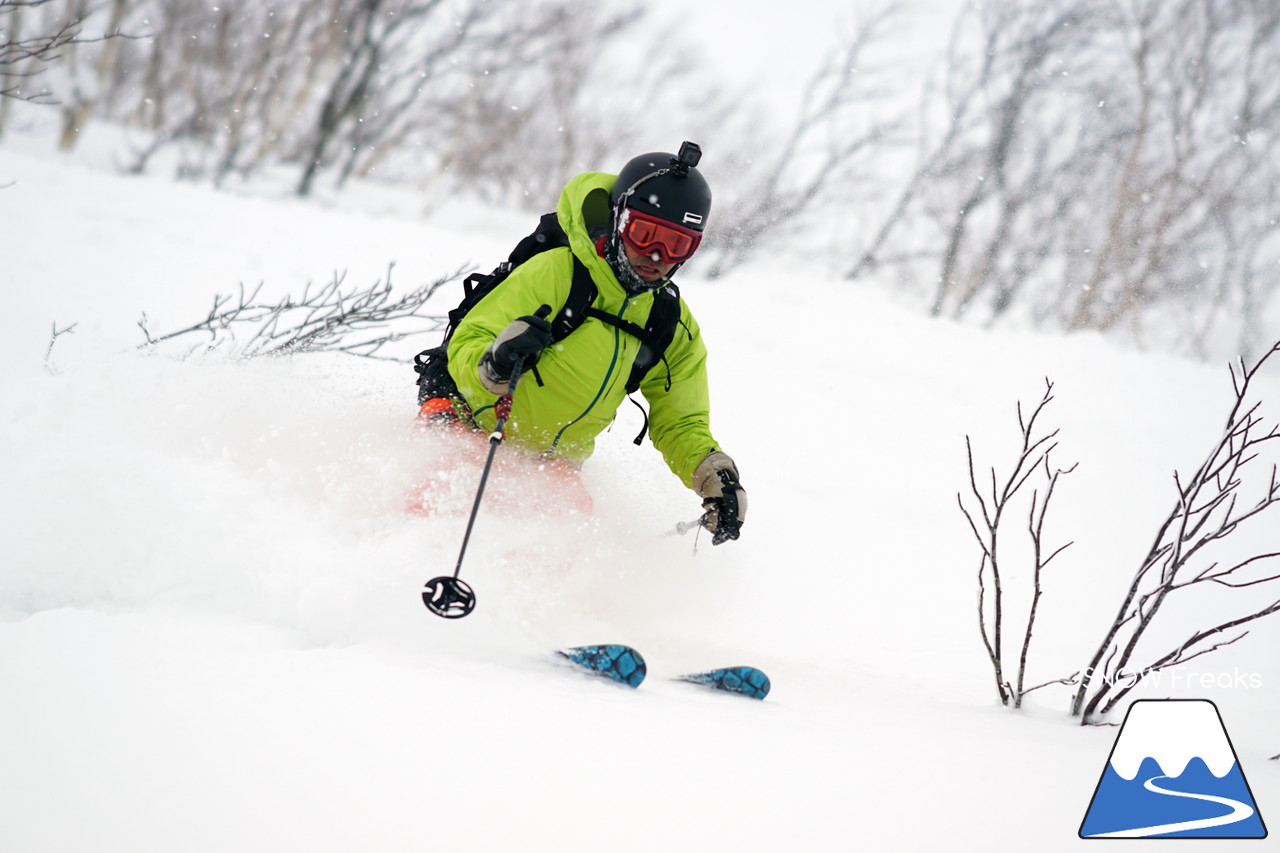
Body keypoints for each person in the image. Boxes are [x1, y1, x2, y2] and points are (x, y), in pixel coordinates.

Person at [419, 142, 746, 544]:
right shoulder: (557, 273)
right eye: (644, 235)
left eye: (677, 245)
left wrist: (715, 475)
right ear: (619, 219)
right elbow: (470, 339)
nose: (657, 256)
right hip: (468, 423)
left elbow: (681, 421)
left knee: (561, 546)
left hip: (551, 465)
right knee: (436, 510)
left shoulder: (669, 323)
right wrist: (495, 364)